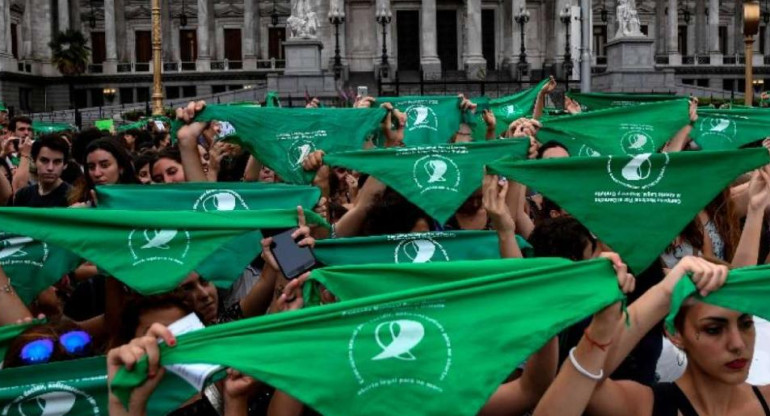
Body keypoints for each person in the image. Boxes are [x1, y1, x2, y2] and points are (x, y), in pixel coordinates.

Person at [531, 257, 770, 416]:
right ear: (675, 334)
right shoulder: (646, 406)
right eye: (713, 329)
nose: (738, 344)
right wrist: (663, 294)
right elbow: (574, 393)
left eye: (746, 323)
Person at [68, 137, 138, 206]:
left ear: (121, 168)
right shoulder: (79, 205)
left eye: (104, 165)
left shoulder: (140, 201)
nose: (97, 173)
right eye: (91, 167)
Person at [8, 134, 71, 207]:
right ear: (34, 161)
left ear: (65, 165)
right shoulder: (23, 195)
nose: (50, 168)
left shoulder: (72, 197)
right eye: (44, 160)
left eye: (57, 162)